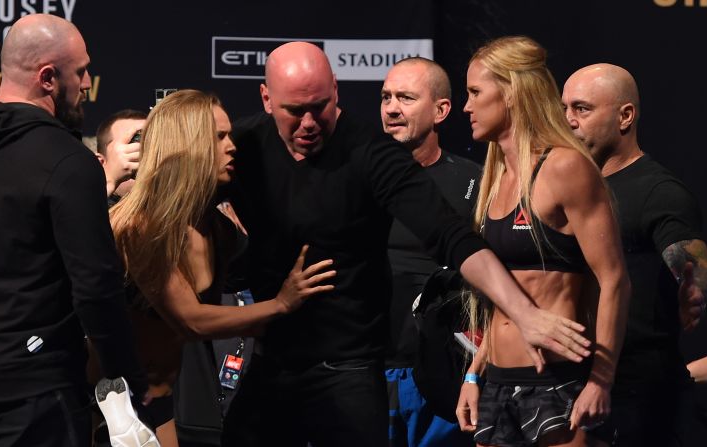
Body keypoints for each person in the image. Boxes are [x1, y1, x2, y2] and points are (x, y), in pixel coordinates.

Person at [222, 41, 593, 447]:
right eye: (295, 111)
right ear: (266, 98)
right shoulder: (241, 146)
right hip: (270, 364)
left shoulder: (372, 153)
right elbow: (176, 202)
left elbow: (452, 236)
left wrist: (524, 313)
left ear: (336, 91)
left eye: (320, 107)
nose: (309, 122)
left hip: (348, 369)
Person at [0, 13, 147, 446]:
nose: (86, 84)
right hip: (37, 399)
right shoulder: (67, 162)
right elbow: (96, 288)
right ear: (48, 78)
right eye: (80, 72)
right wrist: (129, 379)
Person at [108, 89, 336, 447]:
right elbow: (192, 320)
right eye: (219, 137)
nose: (232, 146)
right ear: (187, 144)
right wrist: (280, 303)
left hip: (159, 404)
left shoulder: (217, 229)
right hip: (107, 406)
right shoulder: (140, 225)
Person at [454, 36, 630, 447]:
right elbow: (503, 298)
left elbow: (614, 279)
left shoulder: (564, 167)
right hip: (496, 382)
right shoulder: (494, 179)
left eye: (476, 92)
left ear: (512, 92)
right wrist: (475, 373)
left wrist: (601, 380)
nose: (467, 106)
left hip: (556, 382)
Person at [562, 63, 707, 446]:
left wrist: (693, 285)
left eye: (581, 109)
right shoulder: (566, 187)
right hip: (569, 383)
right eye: (564, 108)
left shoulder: (658, 191)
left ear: (625, 116)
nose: (568, 120)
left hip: (636, 394)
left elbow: (696, 266)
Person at [380, 57, 481, 447]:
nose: (391, 108)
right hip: (369, 369)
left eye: (405, 97)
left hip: (445, 372)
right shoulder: (355, 178)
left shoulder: (475, 180)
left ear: (441, 110)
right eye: (386, 97)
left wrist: (474, 369)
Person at [95, 109, 148, 206]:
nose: (140, 153)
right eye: (131, 144)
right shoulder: (89, 207)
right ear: (101, 163)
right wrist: (110, 181)